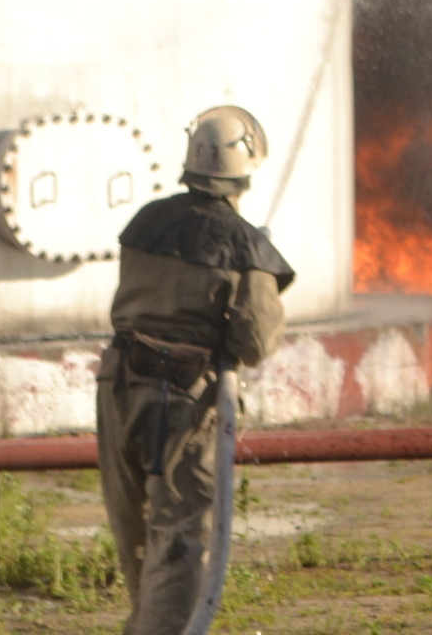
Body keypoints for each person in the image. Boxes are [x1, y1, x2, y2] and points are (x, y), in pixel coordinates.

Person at [96, 105, 293, 635]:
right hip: (181, 399)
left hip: (117, 387)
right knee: (180, 537)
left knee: (135, 533)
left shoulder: (145, 223)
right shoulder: (245, 242)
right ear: (246, 168)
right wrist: (256, 273)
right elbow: (254, 341)